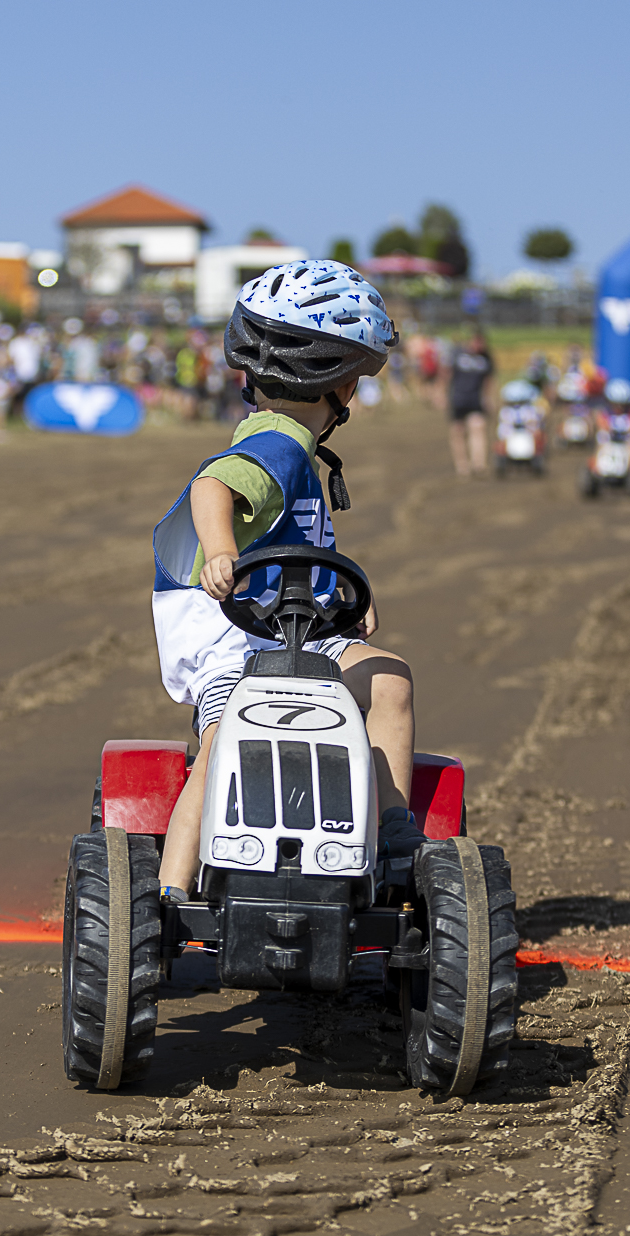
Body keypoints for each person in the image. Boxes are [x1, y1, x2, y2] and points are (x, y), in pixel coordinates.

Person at [151, 260, 421, 900]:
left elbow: (298, 546)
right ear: (344, 387)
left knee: (387, 678)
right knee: (224, 743)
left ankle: (392, 832)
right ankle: (170, 894)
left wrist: (347, 596)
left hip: (297, 632)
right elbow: (213, 485)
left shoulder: (294, 447)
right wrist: (221, 551)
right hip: (235, 643)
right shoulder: (276, 442)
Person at [445, 329, 494, 478]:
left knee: (477, 428)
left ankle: (478, 464)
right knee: (458, 433)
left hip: (475, 400)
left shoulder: (485, 358)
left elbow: (489, 380)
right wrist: (441, 394)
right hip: (458, 400)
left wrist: (489, 398)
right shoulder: (457, 354)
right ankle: (462, 466)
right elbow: (447, 375)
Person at [599, 378, 630, 478]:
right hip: (610, 439)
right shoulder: (606, 414)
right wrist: (607, 430)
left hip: (626, 441)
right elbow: (601, 423)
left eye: (621, 404)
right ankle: (598, 469)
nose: (618, 407)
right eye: (616, 404)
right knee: (601, 446)